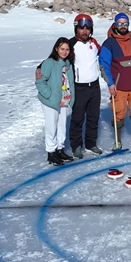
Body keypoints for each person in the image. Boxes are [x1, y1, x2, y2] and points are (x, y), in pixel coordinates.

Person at [99, 13, 131, 150]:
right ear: (115, 24)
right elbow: (104, 65)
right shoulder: (109, 43)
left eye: (125, 24)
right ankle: (118, 141)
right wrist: (110, 83)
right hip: (118, 86)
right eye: (120, 23)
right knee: (118, 112)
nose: (122, 26)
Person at [68, 15, 103, 158]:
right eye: (81, 28)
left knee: (93, 117)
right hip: (79, 87)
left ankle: (90, 143)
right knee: (77, 118)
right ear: (76, 28)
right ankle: (76, 146)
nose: (84, 31)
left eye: (87, 28)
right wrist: (40, 68)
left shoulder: (94, 43)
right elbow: (56, 57)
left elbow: (106, 55)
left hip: (94, 86)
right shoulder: (71, 44)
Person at [36, 37, 74, 166]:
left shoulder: (67, 63)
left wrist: (71, 97)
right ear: (56, 49)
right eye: (62, 49)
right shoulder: (49, 62)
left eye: (67, 49)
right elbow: (40, 82)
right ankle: (51, 152)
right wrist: (49, 95)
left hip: (64, 99)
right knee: (51, 126)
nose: (64, 52)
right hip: (51, 101)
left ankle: (60, 149)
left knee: (62, 125)